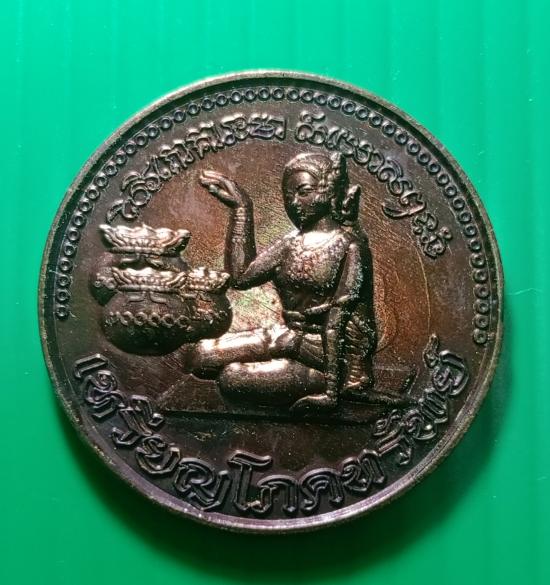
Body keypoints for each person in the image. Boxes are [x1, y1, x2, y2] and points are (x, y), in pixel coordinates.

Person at [189, 151, 377, 413]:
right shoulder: (291, 243)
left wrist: (331, 393)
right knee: (200, 356)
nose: (294, 203)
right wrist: (241, 210)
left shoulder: (350, 246)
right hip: (289, 337)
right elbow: (241, 277)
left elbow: (336, 323)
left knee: (232, 379)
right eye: (288, 197)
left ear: (329, 192)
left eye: (304, 192)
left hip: (330, 357)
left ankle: (320, 379)